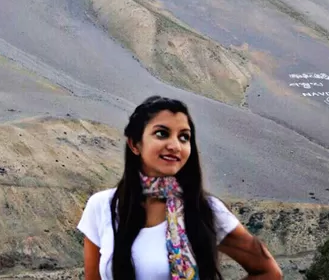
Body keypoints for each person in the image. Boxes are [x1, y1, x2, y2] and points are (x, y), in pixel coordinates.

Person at [78, 95, 283, 280]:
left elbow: (268, 271)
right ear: (134, 144)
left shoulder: (205, 209)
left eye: (184, 137)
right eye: (162, 134)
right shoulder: (102, 206)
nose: (175, 145)